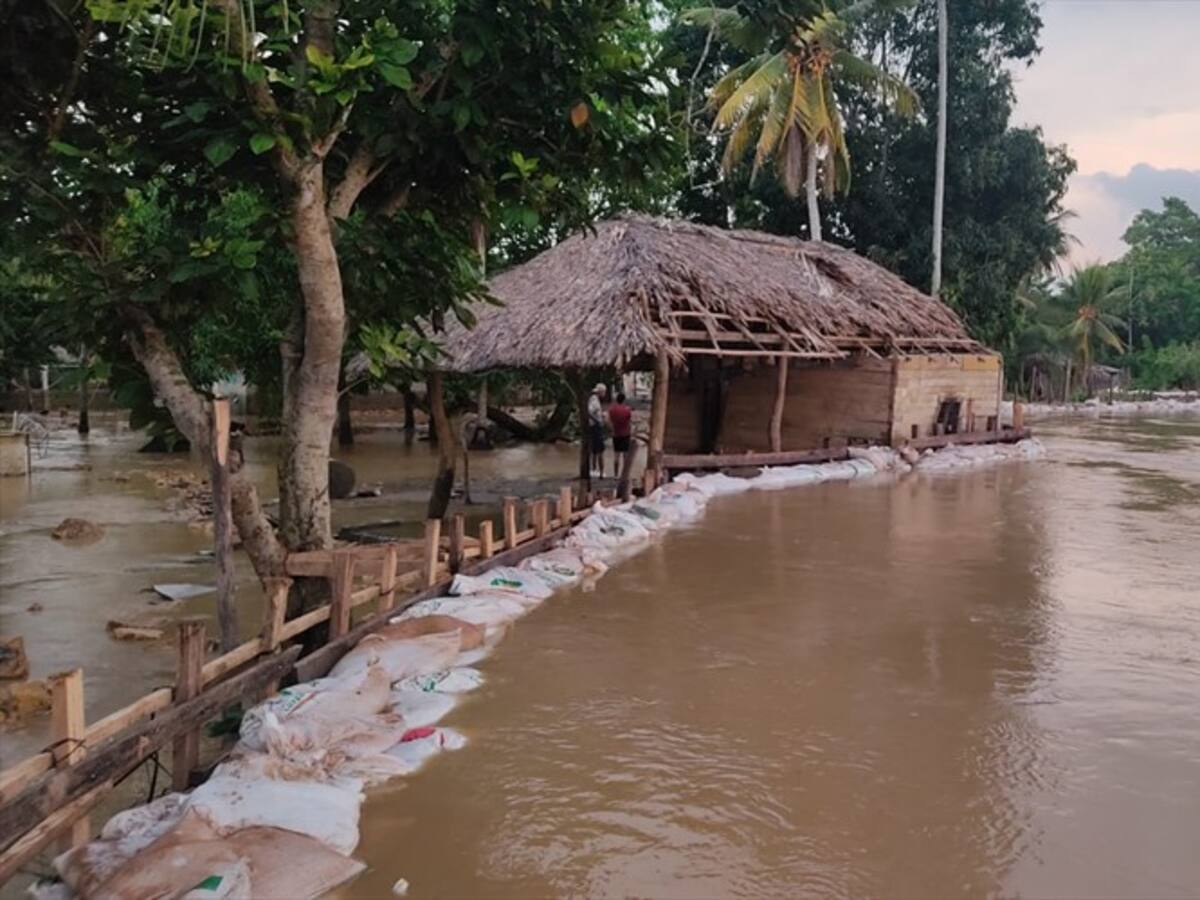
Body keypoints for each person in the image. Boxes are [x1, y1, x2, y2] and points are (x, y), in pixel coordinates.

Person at [607, 391, 632, 478]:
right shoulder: (627, 410)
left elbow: (609, 421)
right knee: (625, 456)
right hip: (625, 434)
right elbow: (629, 421)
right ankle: (624, 475)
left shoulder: (612, 410)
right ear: (624, 400)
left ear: (616, 400)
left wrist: (611, 430)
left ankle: (615, 475)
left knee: (616, 455)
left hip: (616, 434)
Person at [587, 383, 607, 476]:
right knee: (600, 450)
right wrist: (598, 420)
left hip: (594, 426)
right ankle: (601, 472)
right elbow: (589, 412)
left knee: (595, 450)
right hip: (596, 427)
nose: (605, 394)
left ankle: (594, 469)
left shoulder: (594, 399)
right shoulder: (594, 400)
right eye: (604, 392)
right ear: (601, 392)